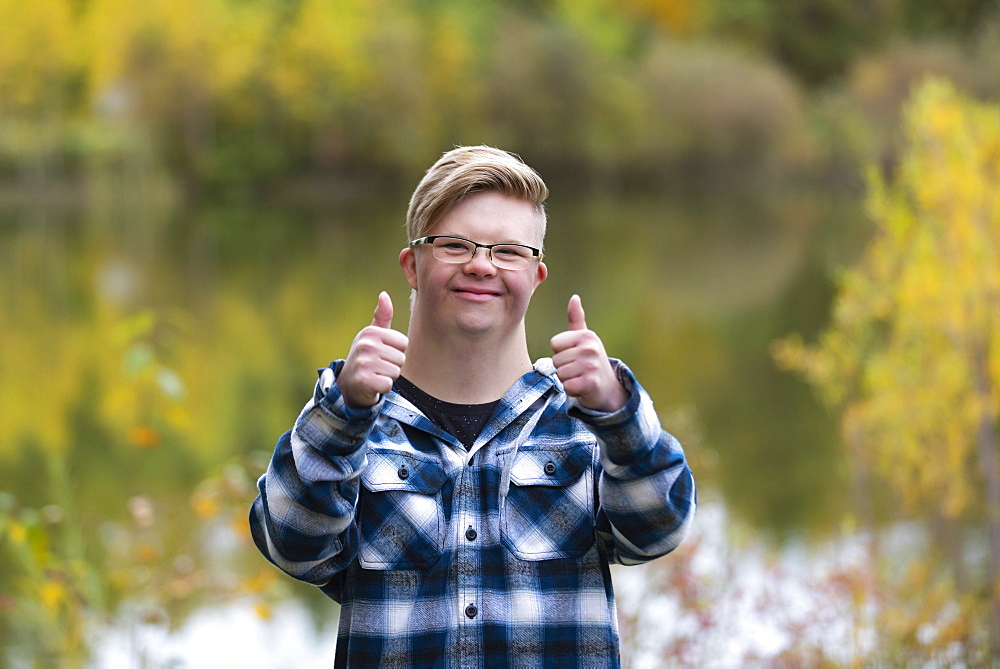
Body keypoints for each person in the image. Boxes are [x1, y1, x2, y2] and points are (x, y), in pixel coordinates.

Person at [249, 146, 696, 668]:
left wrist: (618, 413)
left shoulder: (586, 418)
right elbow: (293, 547)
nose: (481, 265)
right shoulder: (350, 415)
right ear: (412, 265)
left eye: (508, 251)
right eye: (455, 245)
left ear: (536, 276)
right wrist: (345, 410)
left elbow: (657, 532)